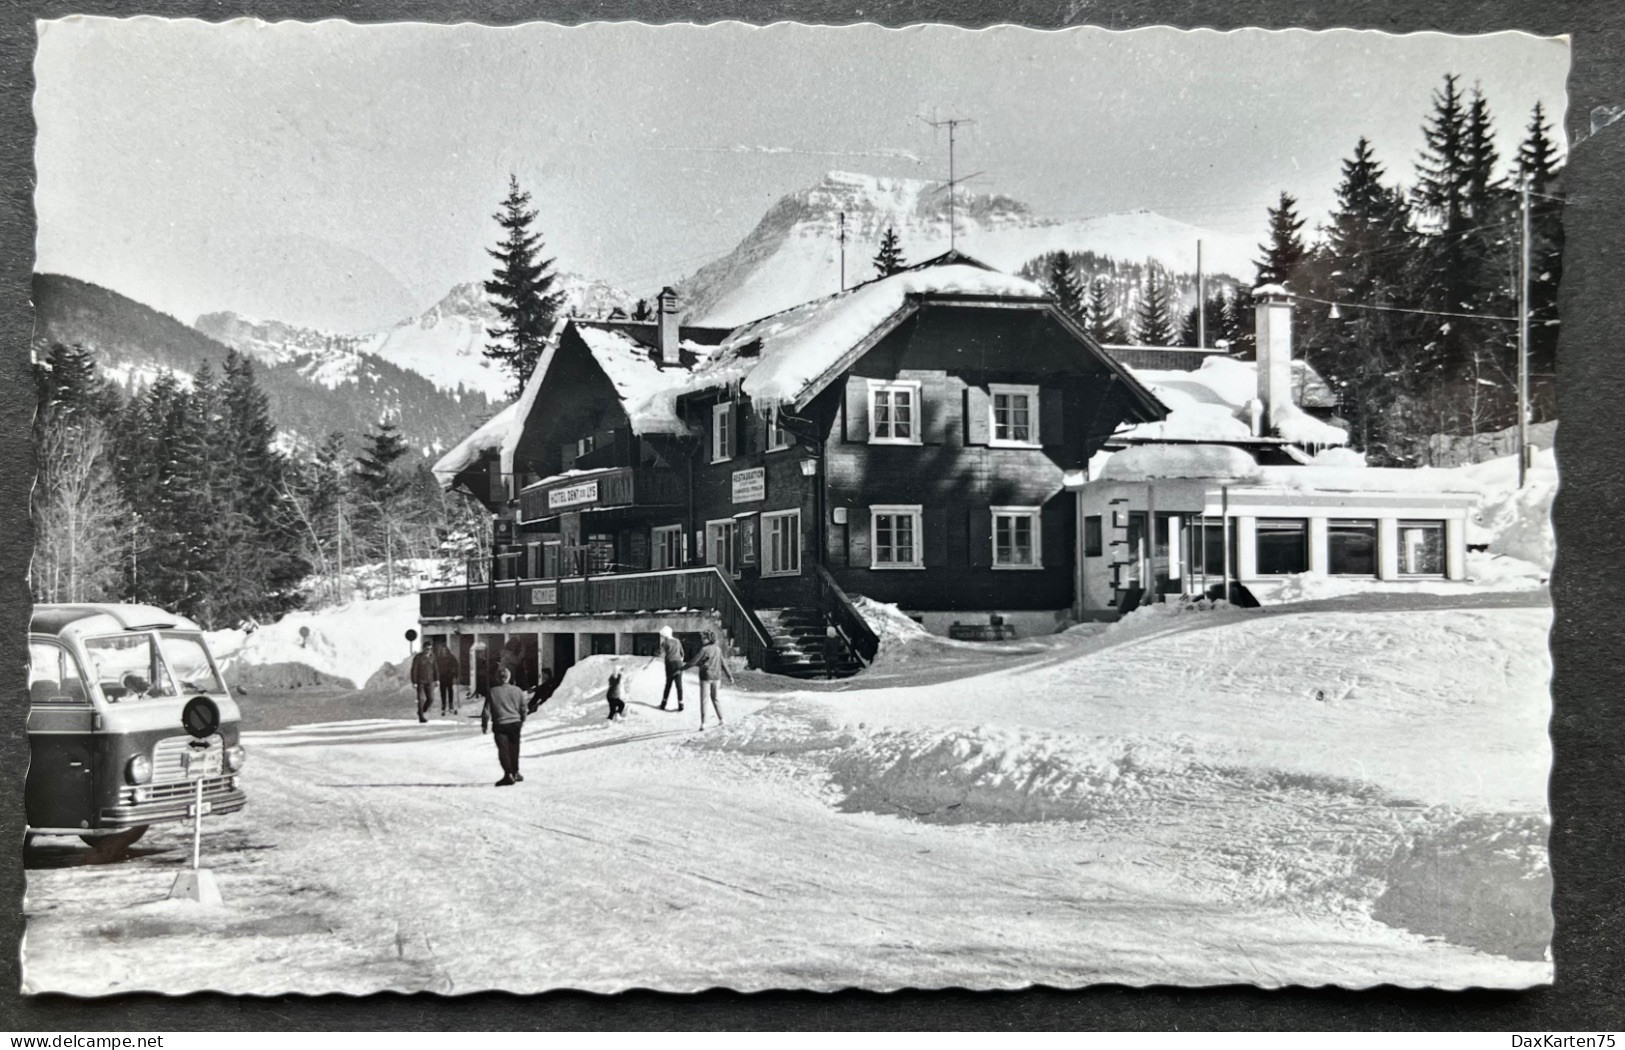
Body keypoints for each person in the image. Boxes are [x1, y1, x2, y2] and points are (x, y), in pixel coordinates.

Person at [481, 666, 528, 787]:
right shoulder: (518, 690)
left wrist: (484, 725)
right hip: (515, 723)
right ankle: (516, 772)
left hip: (500, 724)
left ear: (497, 678)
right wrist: (521, 720)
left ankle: (508, 775)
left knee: (504, 750)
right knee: (514, 749)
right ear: (509, 677)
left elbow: (486, 712)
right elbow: (524, 709)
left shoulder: (492, 692)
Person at [683, 630, 735, 730]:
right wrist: (730, 676)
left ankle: (704, 723)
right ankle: (722, 719)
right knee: (715, 698)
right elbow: (723, 664)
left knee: (704, 700)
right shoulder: (718, 649)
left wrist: (682, 668)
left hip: (705, 677)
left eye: (704, 638)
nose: (702, 640)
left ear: (709, 639)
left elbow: (693, 662)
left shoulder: (704, 649)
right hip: (717, 678)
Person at [656, 625, 685, 711]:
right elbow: (682, 653)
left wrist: (657, 652)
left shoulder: (664, 643)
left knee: (668, 684)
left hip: (669, 664)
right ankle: (681, 705)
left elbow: (659, 653)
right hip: (679, 664)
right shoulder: (677, 641)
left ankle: (663, 705)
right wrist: (680, 660)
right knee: (679, 685)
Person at [410, 639, 437, 723]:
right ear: (423, 648)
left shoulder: (432, 656)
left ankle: (421, 711)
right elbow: (414, 669)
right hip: (420, 681)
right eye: (427, 649)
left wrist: (437, 679)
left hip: (430, 681)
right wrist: (414, 681)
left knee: (431, 699)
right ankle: (421, 717)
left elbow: (436, 669)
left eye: (430, 649)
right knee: (421, 699)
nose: (428, 650)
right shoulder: (418, 657)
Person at [434, 641, 460, 715]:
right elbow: (436, 668)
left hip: (449, 676)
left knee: (450, 690)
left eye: (445, 650)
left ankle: (451, 704)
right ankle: (443, 704)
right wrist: (436, 677)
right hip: (442, 677)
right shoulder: (439, 658)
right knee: (442, 691)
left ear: (447, 651)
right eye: (442, 651)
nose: (444, 652)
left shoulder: (451, 657)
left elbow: (456, 665)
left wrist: (456, 674)